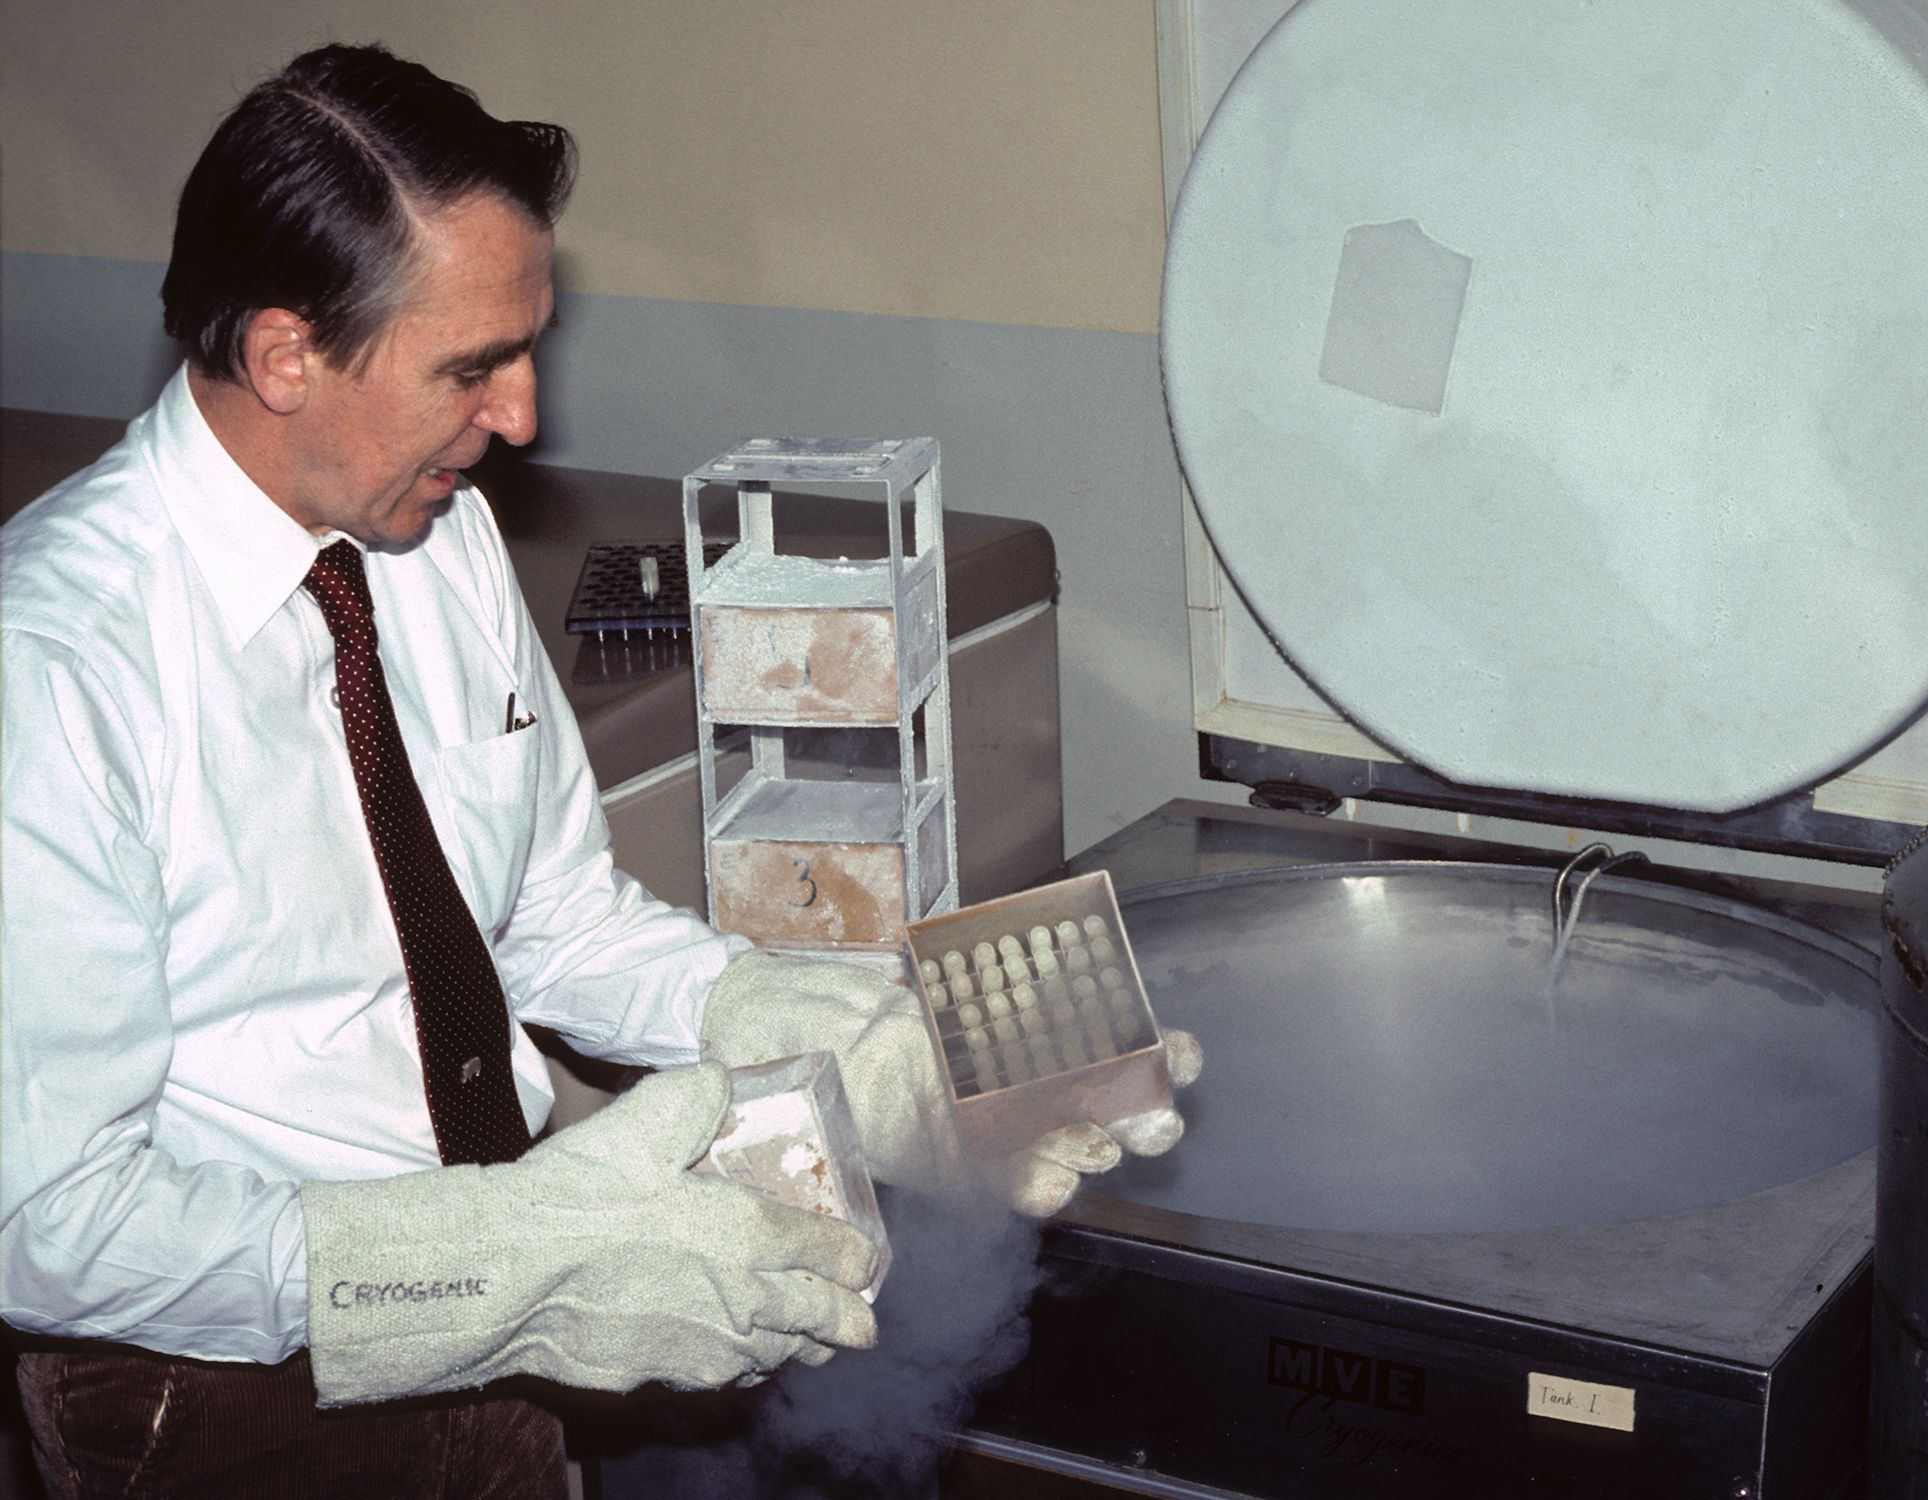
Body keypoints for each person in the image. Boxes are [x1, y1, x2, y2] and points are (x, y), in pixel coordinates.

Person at [0, 43, 1195, 1499]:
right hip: (225, 1394)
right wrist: (491, 1265)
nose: (519, 419)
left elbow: (549, 918)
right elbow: (49, 1219)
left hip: (509, 1321)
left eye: (526, 350)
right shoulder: (52, 668)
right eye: (471, 366)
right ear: (283, 353)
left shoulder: (432, 537)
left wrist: (809, 1019)